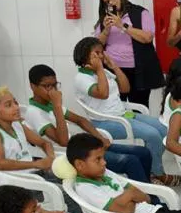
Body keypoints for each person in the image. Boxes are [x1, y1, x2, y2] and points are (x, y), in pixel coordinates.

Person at [72, 36, 175, 184]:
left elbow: (125, 88)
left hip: (122, 114)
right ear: (84, 55)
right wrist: (100, 69)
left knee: (163, 128)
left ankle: (151, 169)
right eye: (97, 53)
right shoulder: (81, 78)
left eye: (102, 52)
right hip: (105, 121)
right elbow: (103, 93)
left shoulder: (103, 72)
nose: (101, 56)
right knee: (152, 135)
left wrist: (113, 66)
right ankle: (157, 173)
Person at [25, 64, 153, 182]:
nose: (52, 90)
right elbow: (63, 141)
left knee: (143, 152)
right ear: (32, 86)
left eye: (54, 85)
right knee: (131, 161)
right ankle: (149, 199)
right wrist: (57, 107)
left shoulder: (49, 104)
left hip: (81, 147)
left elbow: (81, 120)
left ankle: (146, 189)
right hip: (69, 156)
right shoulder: (35, 112)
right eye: (46, 86)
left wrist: (100, 138)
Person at [93, 0, 164, 108]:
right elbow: (97, 45)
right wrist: (106, 30)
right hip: (112, 69)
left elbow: (147, 38)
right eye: (106, 2)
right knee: (115, 105)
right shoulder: (105, 18)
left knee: (138, 107)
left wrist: (122, 25)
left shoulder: (140, 12)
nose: (111, 3)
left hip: (138, 70)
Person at [0, 87, 55, 174]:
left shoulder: (17, 124)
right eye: (9, 105)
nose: (16, 107)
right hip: (16, 179)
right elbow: (0, 164)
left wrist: (50, 158)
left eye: (15, 102)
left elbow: (44, 143)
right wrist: (35, 164)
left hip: (33, 172)